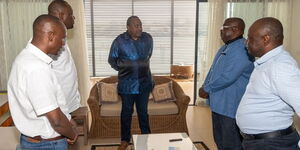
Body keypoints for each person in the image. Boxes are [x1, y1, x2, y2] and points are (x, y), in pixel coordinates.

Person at [8, 14, 78, 150]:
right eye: (62, 38)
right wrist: (72, 134)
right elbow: (56, 120)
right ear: (51, 36)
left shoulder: (26, 58)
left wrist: (68, 120)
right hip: (47, 145)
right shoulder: (36, 68)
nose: (63, 44)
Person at [236, 17, 300, 150]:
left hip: (273, 144)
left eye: (251, 38)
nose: (246, 42)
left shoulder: (280, 66)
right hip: (261, 142)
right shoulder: (268, 63)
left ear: (266, 39)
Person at [198, 17, 254, 150]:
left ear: (235, 30)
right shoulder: (226, 47)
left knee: (231, 144)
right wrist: (204, 85)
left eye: (223, 29)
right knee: (220, 141)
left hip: (230, 107)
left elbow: (228, 76)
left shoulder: (242, 48)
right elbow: (213, 70)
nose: (221, 32)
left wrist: (207, 88)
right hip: (219, 105)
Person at [108, 16, 154, 150]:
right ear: (128, 27)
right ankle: (125, 140)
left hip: (144, 83)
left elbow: (148, 56)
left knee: (143, 113)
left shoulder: (148, 39)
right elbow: (112, 60)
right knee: (126, 112)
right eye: (136, 25)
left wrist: (139, 66)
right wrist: (126, 69)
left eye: (140, 25)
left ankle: (147, 137)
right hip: (127, 85)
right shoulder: (119, 41)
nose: (139, 28)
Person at [48, 0, 80, 113]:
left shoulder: (61, 38)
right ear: (61, 16)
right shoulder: (49, 40)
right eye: (71, 14)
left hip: (67, 106)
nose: (74, 18)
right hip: (58, 109)